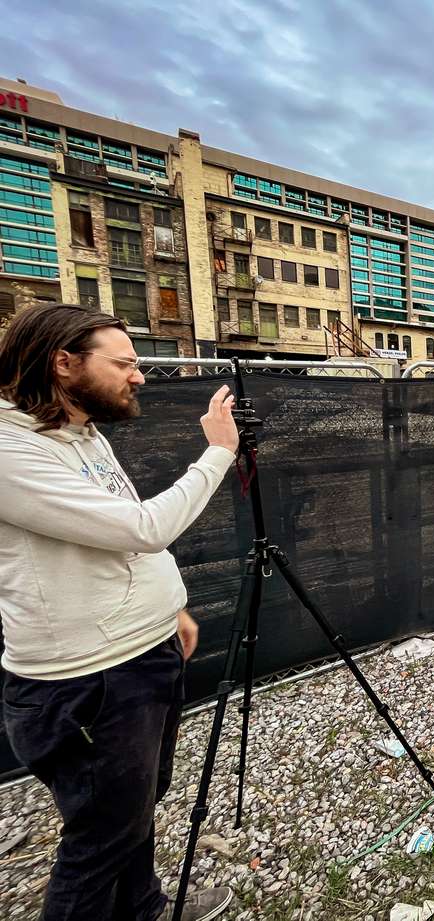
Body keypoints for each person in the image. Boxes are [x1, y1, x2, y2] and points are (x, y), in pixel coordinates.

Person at [0, 304, 240, 921]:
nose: (139, 375)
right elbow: (144, 526)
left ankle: (144, 910)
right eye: (125, 363)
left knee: (135, 807)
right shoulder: (9, 451)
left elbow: (115, 537)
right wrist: (217, 454)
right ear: (64, 363)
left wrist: (172, 609)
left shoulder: (81, 432)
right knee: (99, 838)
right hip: (88, 679)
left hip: (143, 652)